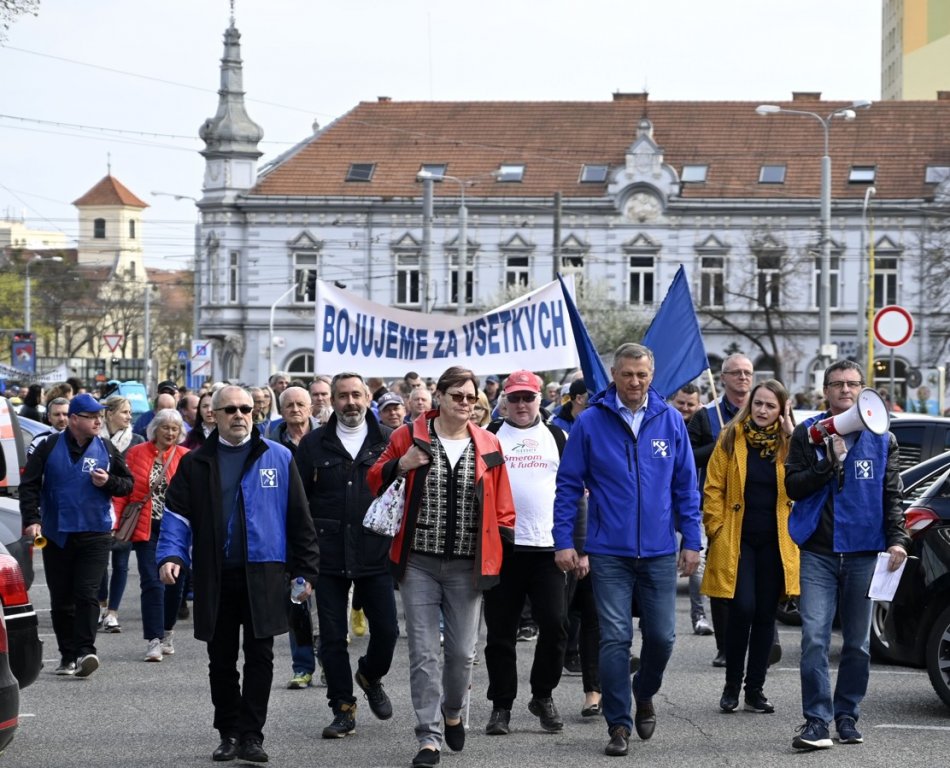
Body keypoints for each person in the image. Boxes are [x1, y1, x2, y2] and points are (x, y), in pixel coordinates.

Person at [157, 385, 320, 763]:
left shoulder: (278, 456)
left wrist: (306, 570)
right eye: (230, 409)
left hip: (265, 572)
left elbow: (299, 518)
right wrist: (170, 555)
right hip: (216, 574)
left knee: (261, 656)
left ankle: (252, 735)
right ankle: (228, 732)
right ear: (214, 415)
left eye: (245, 409)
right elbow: (177, 516)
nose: (239, 415)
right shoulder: (196, 462)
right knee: (221, 659)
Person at [553, 343, 701, 757]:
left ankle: (645, 691)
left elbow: (686, 487)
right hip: (609, 552)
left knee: (663, 637)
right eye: (627, 374)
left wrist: (692, 540)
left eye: (642, 375)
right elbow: (567, 486)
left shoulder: (669, 419)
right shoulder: (590, 422)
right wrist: (563, 540)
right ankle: (618, 723)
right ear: (614, 376)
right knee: (615, 638)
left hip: (658, 551)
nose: (635, 382)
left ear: (652, 376)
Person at [369, 366, 515, 768]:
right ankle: (429, 737)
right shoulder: (409, 436)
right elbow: (373, 478)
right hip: (418, 562)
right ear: (440, 397)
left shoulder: (487, 442)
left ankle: (452, 711)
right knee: (423, 653)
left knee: (463, 654)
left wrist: (500, 550)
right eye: (457, 396)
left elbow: (503, 505)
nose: (465, 403)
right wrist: (402, 464)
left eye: (471, 397)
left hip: (467, 566)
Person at [785, 360, 910, 750]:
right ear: (825, 390)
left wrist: (898, 540)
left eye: (852, 384)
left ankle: (847, 715)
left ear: (862, 390)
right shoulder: (808, 433)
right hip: (819, 552)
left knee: (857, 643)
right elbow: (793, 487)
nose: (845, 390)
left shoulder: (883, 438)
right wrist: (828, 463)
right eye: (837, 384)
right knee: (815, 639)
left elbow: (892, 496)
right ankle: (816, 720)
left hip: (863, 553)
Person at [295, 373, 399, 737]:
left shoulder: (389, 440)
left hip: (375, 553)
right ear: (331, 400)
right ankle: (342, 707)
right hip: (327, 555)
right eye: (343, 396)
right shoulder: (313, 444)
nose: (350, 402)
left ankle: (370, 675)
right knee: (332, 637)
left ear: (368, 397)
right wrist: (300, 561)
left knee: (387, 631)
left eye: (356, 394)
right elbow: (299, 503)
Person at [701, 380, 800, 715]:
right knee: (742, 608)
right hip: (737, 539)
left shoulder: (790, 443)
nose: (762, 410)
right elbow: (713, 487)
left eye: (771, 405)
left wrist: (793, 436)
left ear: (783, 410)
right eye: (758, 403)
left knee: (765, 614)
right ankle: (731, 685)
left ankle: (754, 690)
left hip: (776, 542)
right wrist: (715, 527)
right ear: (750, 405)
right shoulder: (731, 436)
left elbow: (807, 481)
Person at [19, 392, 134, 677]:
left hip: (95, 532)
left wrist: (109, 482)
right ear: (73, 419)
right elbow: (29, 485)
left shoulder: (106, 447)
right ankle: (67, 655)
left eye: (99, 416)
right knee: (62, 598)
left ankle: (85, 651)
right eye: (91, 417)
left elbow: (127, 484)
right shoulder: (47, 446)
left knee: (87, 593)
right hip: (58, 532)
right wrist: (32, 519)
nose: (98, 421)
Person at [483, 370, 569, 735]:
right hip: (503, 548)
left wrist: (575, 544)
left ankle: (542, 694)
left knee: (555, 625)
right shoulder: (489, 436)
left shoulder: (557, 436)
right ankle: (501, 705)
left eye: (528, 397)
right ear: (504, 400)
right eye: (515, 398)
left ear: (539, 399)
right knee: (501, 632)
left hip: (547, 548)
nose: (521, 404)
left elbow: (573, 491)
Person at [688, 354, 754, 664]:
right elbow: (688, 457)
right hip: (720, 508)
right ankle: (726, 648)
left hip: (756, 507)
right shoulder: (706, 416)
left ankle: (761, 642)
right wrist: (721, 442)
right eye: (736, 372)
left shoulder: (762, 409)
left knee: (757, 577)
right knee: (722, 577)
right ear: (723, 378)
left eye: (747, 372)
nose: (743, 377)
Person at [113, 408, 189, 661]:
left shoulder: (186, 457)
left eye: (175, 429)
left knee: (175, 585)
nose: (170, 433)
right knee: (152, 582)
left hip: (176, 531)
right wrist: (116, 521)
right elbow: (125, 491)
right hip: (147, 527)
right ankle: (153, 640)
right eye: (165, 427)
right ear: (155, 429)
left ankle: (167, 631)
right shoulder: (136, 453)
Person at [97, 395, 146, 632]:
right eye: (124, 412)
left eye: (129, 412)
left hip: (127, 509)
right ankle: (101, 605)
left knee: (121, 562)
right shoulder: (96, 439)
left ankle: (113, 612)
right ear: (109, 414)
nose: (129, 416)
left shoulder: (136, 440)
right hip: (100, 507)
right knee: (99, 562)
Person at [667, 383, 712, 636]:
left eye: (690, 404)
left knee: (697, 559)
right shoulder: (662, 423)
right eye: (680, 403)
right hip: (664, 506)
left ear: (699, 405)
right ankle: (650, 614)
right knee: (664, 561)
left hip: (696, 504)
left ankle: (700, 616)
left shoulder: (705, 426)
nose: (685, 408)